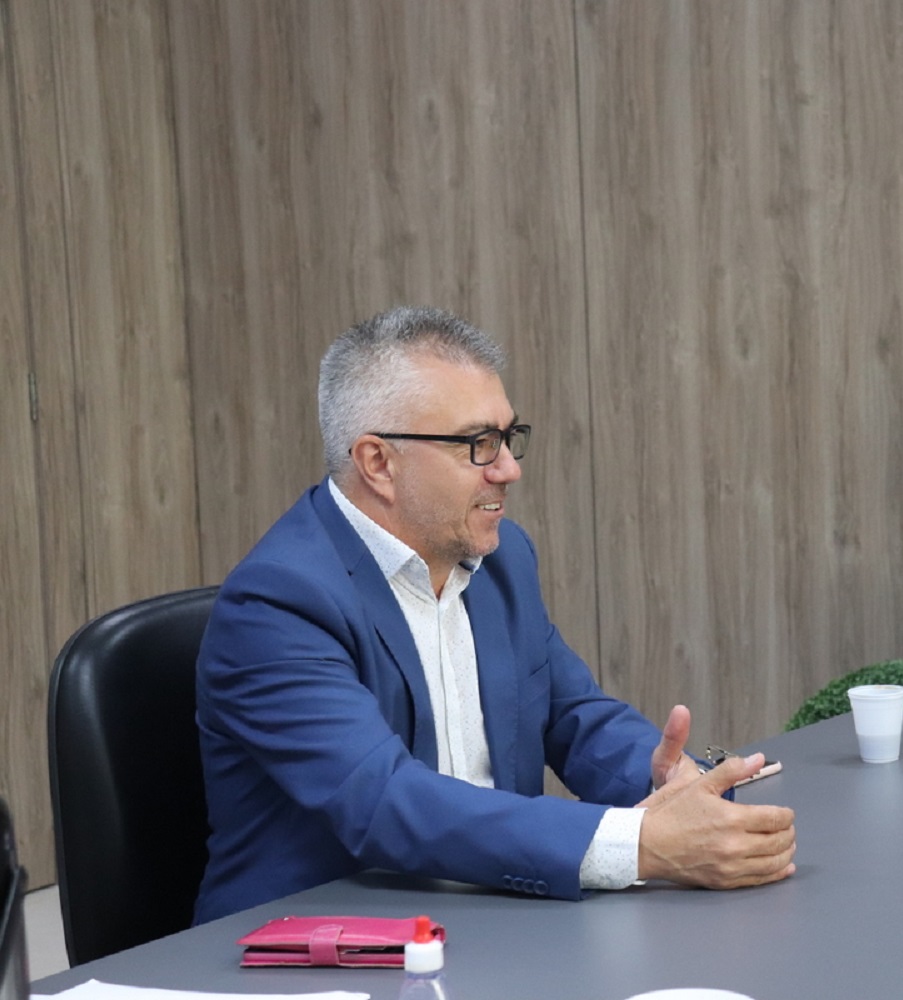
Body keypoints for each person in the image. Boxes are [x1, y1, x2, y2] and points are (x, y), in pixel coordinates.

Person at [194, 306, 796, 923]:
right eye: (478, 445)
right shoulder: (277, 604)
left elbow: (573, 714)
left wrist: (674, 785)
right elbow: (385, 801)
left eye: (509, 438)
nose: (509, 468)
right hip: (318, 947)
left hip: (493, 917)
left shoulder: (500, 557)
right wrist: (640, 845)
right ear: (378, 463)